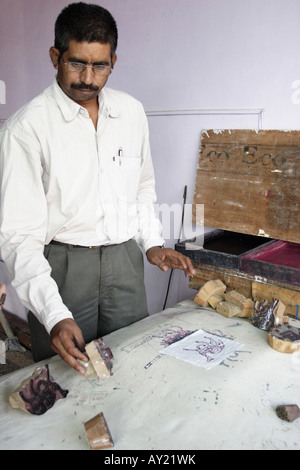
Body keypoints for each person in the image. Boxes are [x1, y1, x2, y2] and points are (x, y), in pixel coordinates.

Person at [0, 2, 195, 374]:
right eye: (76, 63)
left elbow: (142, 187)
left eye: (100, 65)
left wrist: (151, 243)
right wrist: (54, 315)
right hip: (62, 268)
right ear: (55, 56)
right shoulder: (26, 130)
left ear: (114, 61)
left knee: (133, 364)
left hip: (125, 264)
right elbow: (18, 237)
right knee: (64, 377)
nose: (88, 78)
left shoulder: (131, 113)